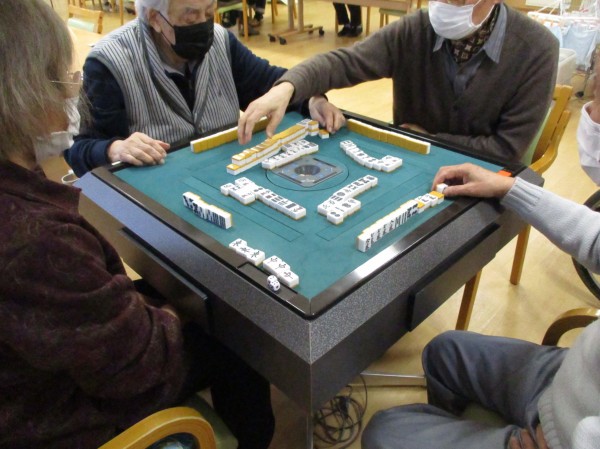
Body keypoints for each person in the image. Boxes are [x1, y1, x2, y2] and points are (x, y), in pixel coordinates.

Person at [0, 2, 274, 449]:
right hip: (73, 416)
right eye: (63, 76)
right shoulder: (35, 243)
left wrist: (302, 91)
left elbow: (86, 313)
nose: (74, 89)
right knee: (238, 334)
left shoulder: (23, 194)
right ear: (24, 93)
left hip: (70, 359)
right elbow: (141, 365)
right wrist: (178, 313)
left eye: (208, 10)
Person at [360, 160, 600, 449]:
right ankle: (453, 424)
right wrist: (508, 187)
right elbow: (595, 239)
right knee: (444, 349)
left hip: (564, 439)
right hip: (568, 374)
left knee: (383, 431)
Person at [238, 0, 559, 164]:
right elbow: (344, 63)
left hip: (483, 175)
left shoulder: (537, 50)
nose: (445, 5)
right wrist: (288, 87)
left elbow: (506, 150)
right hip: (410, 161)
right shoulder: (416, 29)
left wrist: (429, 140)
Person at [64, 0, 341, 176]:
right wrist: (114, 149)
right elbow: (77, 148)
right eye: (190, 17)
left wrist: (312, 100)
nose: (204, 24)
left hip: (226, 176)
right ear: (154, 18)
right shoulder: (109, 63)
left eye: (209, 12)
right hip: (160, 199)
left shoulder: (221, 41)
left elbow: (270, 83)